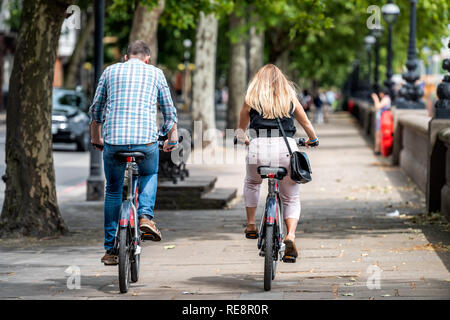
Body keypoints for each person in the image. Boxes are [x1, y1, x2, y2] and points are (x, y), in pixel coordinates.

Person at [90, 40, 178, 265]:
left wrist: (96, 138)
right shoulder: (155, 73)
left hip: (114, 142)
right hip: (145, 143)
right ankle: (145, 217)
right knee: (149, 173)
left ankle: (111, 249)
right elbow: (169, 112)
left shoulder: (110, 71)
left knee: (113, 190)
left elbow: (96, 110)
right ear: (147, 59)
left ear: (126, 57)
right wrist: (170, 137)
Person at [236, 64, 318, 262]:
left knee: (252, 183)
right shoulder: (289, 98)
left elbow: (240, 130)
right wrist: (313, 139)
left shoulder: (251, 99)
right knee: (290, 197)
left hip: (258, 149)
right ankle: (290, 235)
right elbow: (305, 123)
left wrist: (243, 138)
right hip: (286, 149)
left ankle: (250, 224)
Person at [371, 88, 391, 155]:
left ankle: (377, 150)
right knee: (378, 134)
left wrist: (376, 99)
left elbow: (377, 106)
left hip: (383, 120)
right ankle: (378, 149)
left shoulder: (386, 99)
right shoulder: (386, 99)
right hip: (382, 119)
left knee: (378, 134)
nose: (379, 95)